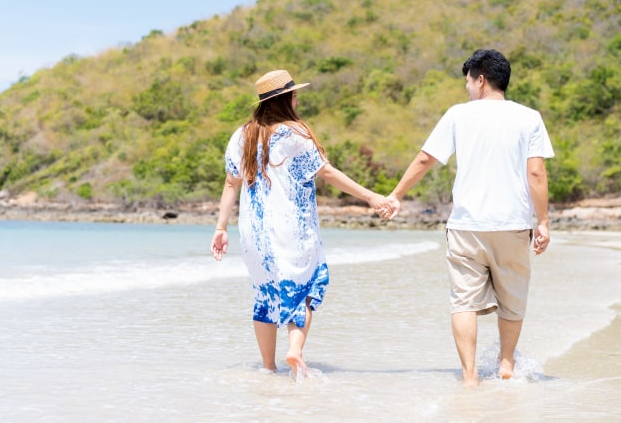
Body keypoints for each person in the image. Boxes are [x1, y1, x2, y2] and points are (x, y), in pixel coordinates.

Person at [211, 69, 397, 377]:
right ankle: (295, 350)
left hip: (253, 232)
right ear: (286, 99)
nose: (298, 99)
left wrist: (220, 228)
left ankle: (268, 369)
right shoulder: (294, 134)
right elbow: (327, 172)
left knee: (265, 293)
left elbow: (231, 184)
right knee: (306, 286)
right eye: (295, 94)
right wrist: (372, 197)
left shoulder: (241, 135)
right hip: (292, 227)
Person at [386, 49, 554, 387]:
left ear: (480, 79)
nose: (466, 88)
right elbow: (536, 173)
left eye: (467, 81)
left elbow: (424, 159)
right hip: (512, 224)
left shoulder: (457, 116)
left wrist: (397, 194)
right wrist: (544, 221)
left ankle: (470, 375)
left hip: (466, 226)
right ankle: (506, 364)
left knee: (463, 302)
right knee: (513, 299)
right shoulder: (529, 117)